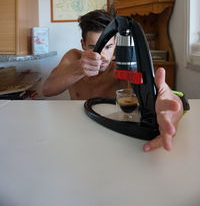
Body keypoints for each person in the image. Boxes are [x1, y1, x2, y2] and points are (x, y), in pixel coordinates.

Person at [42, 9, 184, 152]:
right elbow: (47, 89)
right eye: (93, 47)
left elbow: (163, 94)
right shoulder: (73, 57)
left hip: (112, 137)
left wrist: (173, 107)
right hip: (77, 132)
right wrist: (79, 68)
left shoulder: (122, 67)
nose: (102, 55)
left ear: (116, 44)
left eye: (108, 47)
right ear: (83, 45)